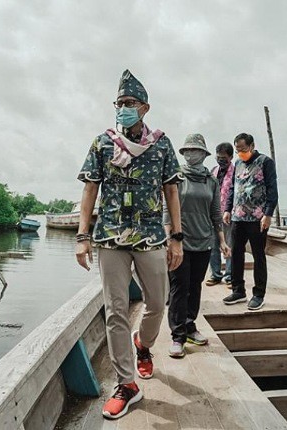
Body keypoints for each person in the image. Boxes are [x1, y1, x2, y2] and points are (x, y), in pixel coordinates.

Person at [75, 69, 184, 420]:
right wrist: (82, 236)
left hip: (151, 236)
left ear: (145, 108)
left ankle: (144, 345)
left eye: (130, 103)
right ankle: (126, 385)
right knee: (115, 311)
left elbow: (171, 190)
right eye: (119, 103)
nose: (123, 108)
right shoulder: (103, 142)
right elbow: (90, 188)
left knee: (157, 303)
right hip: (110, 237)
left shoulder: (161, 144)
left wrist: (177, 238)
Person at [165, 134, 230, 358]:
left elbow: (215, 212)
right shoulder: (176, 177)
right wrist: (169, 238)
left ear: (204, 154)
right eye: (188, 151)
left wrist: (221, 240)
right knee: (179, 288)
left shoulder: (210, 181)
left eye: (196, 150)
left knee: (195, 285)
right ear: (184, 153)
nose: (192, 154)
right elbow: (166, 210)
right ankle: (177, 336)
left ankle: (190, 325)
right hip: (179, 242)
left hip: (204, 242)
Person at [222, 132, 278, 311]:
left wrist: (268, 214)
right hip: (238, 217)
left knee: (258, 255)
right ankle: (238, 290)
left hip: (257, 218)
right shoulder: (237, 163)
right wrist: (227, 209)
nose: (240, 153)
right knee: (236, 253)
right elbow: (232, 188)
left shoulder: (265, 162)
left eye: (243, 149)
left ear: (252, 146)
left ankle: (258, 294)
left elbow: (272, 189)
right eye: (238, 150)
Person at [206, 142, 235, 287]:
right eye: (218, 157)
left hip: (230, 215)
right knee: (213, 245)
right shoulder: (213, 171)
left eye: (224, 158)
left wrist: (229, 210)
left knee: (229, 245)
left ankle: (229, 276)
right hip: (213, 214)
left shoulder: (236, 172)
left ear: (230, 157)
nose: (221, 160)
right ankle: (215, 274)